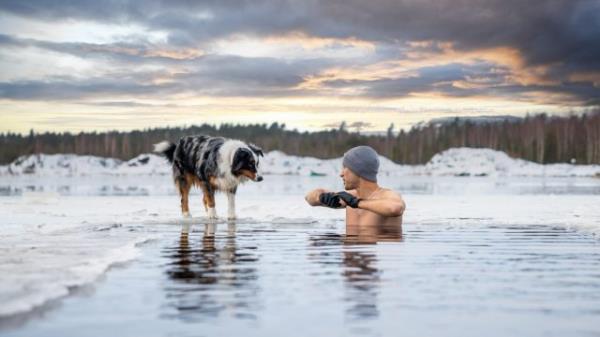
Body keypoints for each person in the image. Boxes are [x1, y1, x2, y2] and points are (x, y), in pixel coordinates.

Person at [305, 146, 406, 239]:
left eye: (345, 168)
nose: (341, 174)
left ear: (357, 170)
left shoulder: (386, 195)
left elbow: (395, 208)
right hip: (351, 253)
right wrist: (321, 197)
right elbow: (309, 198)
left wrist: (357, 203)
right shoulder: (349, 197)